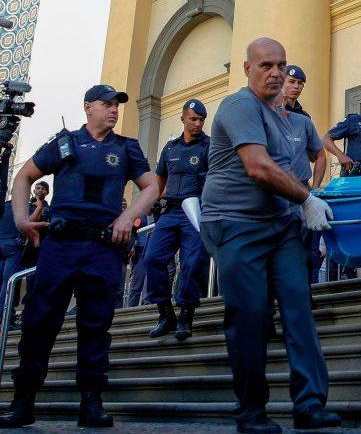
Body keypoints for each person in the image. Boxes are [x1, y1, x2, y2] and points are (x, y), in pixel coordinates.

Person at [199, 38, 340, 433]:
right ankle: (251, 412)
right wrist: (308, 197)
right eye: (266, 65)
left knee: (299, 310)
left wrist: (309, 199)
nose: (275, 72)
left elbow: (293, 167)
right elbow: (258, 167)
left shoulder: (285, 117)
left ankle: (310, 404)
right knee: (251, 316)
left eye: (281, 65)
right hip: (236, 224)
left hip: (279, 225)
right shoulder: (239, 106)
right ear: (247, 69)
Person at [0, 84, 159, 429]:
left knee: (96, 326)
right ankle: (22, 403)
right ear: (88, 107)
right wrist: (19, 219)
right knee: (39, 323)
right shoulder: (65, 142)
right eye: (107, 104)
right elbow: (25, 176)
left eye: (117, 104)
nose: (114, 109)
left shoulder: (126, 148)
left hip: (102, 247)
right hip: (60, 246)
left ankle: (91, 404)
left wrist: (126, 217)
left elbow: (152, 187)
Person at [145, 100, 211, 341]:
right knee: (152, 258)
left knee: (192, 263)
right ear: (183, 119)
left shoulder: (209, 146)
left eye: (201, 119)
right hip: (171, 211)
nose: (198, 123)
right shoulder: (170, 149)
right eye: (193, 119)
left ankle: (186, 314)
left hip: (195, 212)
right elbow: (158, 183)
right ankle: (165, 313)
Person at [274, 92, 327, 283]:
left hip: (301, 195)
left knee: (303, 248)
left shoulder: (303, 122)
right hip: (272, 195)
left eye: (279, 106)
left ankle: (303, 295)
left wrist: (317, 187)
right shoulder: (260, 126)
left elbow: (320, 154)